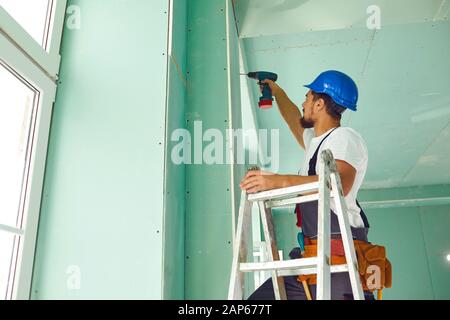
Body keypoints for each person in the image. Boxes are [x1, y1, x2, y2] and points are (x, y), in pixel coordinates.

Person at [240, 70, 373, 300]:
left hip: (338, 263)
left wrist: (277, 181)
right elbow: (294, 118)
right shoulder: (316, 142)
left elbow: (337, 186)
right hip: (314, 260)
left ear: (319, 103)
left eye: (307, 97)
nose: (303, 103)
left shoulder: (344, 137)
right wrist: (276, 91)